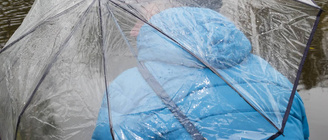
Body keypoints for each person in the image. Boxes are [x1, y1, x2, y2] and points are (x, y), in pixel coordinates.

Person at [92, 7, 309, 140]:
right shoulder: (276, 80)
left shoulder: (131, 86)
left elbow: (108, 135)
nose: (132, 31)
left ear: (157, 33)